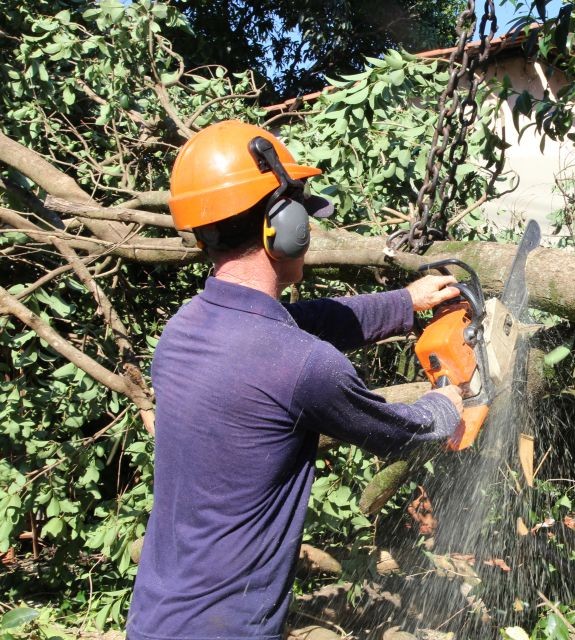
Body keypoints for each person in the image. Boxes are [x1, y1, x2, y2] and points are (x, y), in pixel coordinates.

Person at [126, 120, 464, 640]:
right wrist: (447, 403)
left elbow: (305, 323)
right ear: (281, 226)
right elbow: (404, 431)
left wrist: (405, 303)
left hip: (155, 618)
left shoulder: (182, 331)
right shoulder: (303, 365)